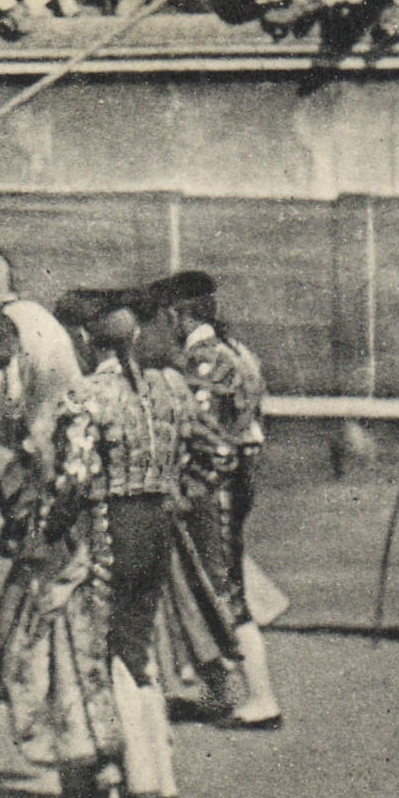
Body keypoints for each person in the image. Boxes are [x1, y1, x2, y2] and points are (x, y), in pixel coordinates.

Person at [0, 287, 193, 798]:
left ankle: (133, 782)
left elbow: (74, 479)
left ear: (84, 339)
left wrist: (47, 532)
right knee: (139, 651)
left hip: (108, 532)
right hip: (156, 529)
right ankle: (161, 780)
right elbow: (188, 454)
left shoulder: (86, 396)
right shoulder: (167, 389)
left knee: (101, 656)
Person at [141, 270, 282, 729]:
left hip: (211, 488)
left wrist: (184, 491)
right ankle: (220, 692)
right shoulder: (235, 351)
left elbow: (210, 443)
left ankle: (261, 699)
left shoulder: (202, 361)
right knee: (210, 585)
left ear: (175, 315)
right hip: (231, 482)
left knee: (221, 589)